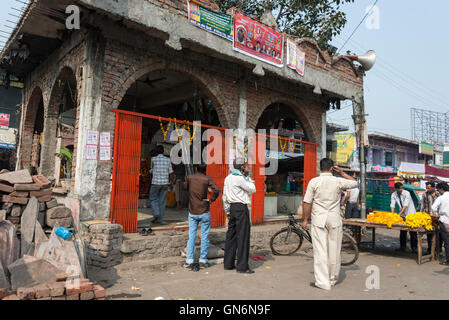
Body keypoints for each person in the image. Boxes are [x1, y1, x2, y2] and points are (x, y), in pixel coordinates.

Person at [302, 158, 358, 290]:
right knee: (334, 249)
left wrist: (305, 219)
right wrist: (342, 173)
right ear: (332, 168)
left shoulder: (314, 182)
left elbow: (307, 202)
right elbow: (355, 183)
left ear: (320, 167)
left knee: (320, 251)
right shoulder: (337, 181)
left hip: (318, 220)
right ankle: (332, 279)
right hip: (334, 219)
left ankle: (323, 282)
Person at [223, 159, 256, 274]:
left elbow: (224, 196)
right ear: (242, 167)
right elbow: (253, 189)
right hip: (241, 208)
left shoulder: (228, 178)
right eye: (246, 166)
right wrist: (248, 178)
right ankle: (242, 267)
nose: (248, 167)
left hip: (232, 208)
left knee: (231, 236)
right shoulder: (240, 178)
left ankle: (228, 263)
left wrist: (227, 210)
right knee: (243, 237)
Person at [183, 164, 219, 269]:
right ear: (205, 170)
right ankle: (203, 260)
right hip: (204, 210)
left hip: (193, 211)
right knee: (204, 236)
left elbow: (185, 187)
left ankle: (189, 260)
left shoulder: (190, 177)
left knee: (192, 237)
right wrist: (211, 199)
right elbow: (216, 189)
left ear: (196, 169)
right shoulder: (207, 179)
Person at [149, 145, 174, 225]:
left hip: (155, 183)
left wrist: (152, 172)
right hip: (165, 183)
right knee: (162, 201)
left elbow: (151, 170)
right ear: (163, 152)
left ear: (156, 152)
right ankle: (159, 219)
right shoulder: (168, 160)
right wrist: (171, 182)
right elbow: (171, 172)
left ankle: (156, 213)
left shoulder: (153, 159)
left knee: (153, 198)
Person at [391, 182, 417, 253]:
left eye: (402, 188)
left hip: (410, 213)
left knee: (413, 231)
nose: (401, 189)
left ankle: (414, 248)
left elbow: (405, 205)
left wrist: (398, 214)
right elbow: (392, 205)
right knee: (402, 231)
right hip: (402, 215)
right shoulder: (394, 194)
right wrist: (392, 214)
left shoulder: (407, 193)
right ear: (396, 188)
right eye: (399, 188)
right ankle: (402, 247)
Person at [432, 182, 449, 265]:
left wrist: (437, 215)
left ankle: (448, 259)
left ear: (442, 189)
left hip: (444, 220)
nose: (438, 191)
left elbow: (433, 208)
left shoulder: (441, 198)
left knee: (446, 241)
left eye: (438, 190)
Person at [420, 181, 439, 254]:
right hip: (428, 216)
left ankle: (438, 250)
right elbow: (422, 205)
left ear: (434, 187)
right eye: (426, 188)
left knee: (438, 234)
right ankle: (429, 250)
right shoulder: (425, 194)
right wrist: (421, 214)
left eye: (429, 188)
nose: (427, 189)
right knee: (429, 234)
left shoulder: (439, 195)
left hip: (437, 217)